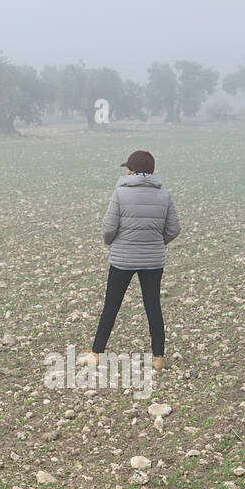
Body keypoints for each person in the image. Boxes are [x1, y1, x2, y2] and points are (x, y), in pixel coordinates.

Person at [80, 150, 180, 372]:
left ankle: (96, 353)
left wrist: (113, 243)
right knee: (153, 306)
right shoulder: (164, 195)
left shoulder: (120, 194)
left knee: (111, 306)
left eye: (128, 167)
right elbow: (174, 228)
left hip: (122, 260)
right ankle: (158, 359)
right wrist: (155, 243)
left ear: (132, 170)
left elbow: (108, 228)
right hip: (153, 261)